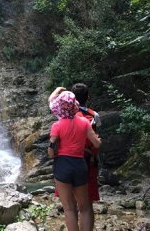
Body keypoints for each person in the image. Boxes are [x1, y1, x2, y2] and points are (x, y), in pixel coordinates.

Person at [48, 90, 101, 231]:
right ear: (75, 105)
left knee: (69, 208)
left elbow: (51, 152)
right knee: (84, 207)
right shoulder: (84, 122)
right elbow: (97, 144)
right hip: (80, 165)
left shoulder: (57, 125)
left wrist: (55, 149)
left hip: (63, 166)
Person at [72, 83, 101, 230]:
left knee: (70, 206)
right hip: (88, 162)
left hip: (69, 160)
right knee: (87, 204)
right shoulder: (93, 115)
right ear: (88, 97)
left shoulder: (67, 115)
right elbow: (96, 141)